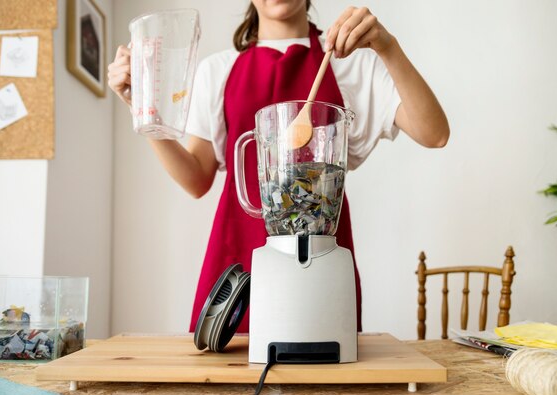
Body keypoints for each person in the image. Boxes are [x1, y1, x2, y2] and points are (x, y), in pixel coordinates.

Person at [108, 1, 449, 334]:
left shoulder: (351, 65)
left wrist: (387, 46)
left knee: (324, 374)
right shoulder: (218, 70)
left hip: (322, 259)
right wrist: (144, 111)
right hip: (237, 263)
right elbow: (196, 179)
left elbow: (434, 134)